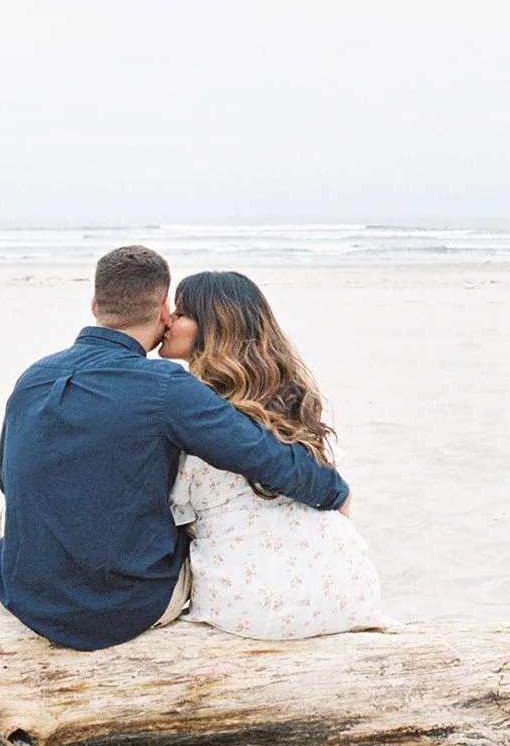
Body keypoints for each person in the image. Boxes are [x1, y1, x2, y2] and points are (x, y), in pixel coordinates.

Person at [0, 245, 350, 650]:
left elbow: (7, 479)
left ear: (94, 304)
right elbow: (264, 458)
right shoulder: (165, 386)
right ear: (164, 311)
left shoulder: (32, 379)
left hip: (22, 599)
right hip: (124, 609)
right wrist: (335, 491)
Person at [159, 270, 381, 639]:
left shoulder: (193, 414)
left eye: (181, 314)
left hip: (250, 608)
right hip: (349, 589)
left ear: (213, 328)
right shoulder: (292, 399)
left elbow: (175, 511)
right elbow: (341, 502)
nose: (168, 320)